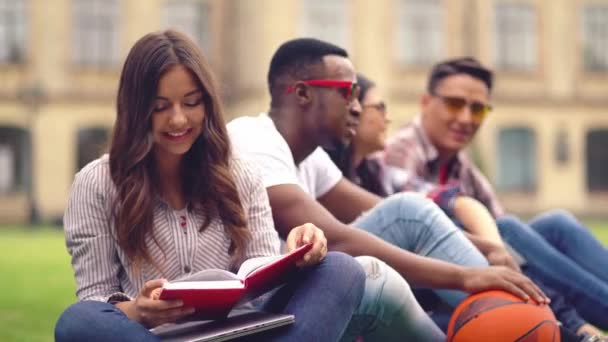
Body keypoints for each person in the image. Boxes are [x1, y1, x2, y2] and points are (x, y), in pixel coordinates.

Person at [53, 30, 367, 342]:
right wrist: (139, 309)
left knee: (341, 269)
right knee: (77, 320)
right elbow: (95, 299)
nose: (178, 120)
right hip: (150, 336)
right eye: (161, 107)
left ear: (207, 104)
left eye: (191, 103)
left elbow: (259, 271)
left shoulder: (240, 172)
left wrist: (297, 252)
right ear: (136, 110)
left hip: (241, 331)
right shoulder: (96, 184)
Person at [227, 38, 548, 340]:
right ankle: (543, 325)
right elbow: (337, 238)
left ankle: (538, 322)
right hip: (260, 308)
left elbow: (382, 213)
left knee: (408, 217)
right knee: (390, 247)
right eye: (348, 93)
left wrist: (482, 245)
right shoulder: (254, 139)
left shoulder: (311, 157)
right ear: (302, 94)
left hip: (313, 290)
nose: (357, 107)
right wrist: (464, 275)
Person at [327, 72, 606, 339]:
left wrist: (497, 247)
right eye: (455, 104)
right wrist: (493, 247)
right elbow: (442, 210)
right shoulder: (398, 152)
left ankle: (569, 322)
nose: (466, 118)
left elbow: (489, 215)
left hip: (441, 270)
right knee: (504, 232)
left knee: (551, 225)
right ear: (426, 103)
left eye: (479, 110)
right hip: (422, 285)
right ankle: (571, 326)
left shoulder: (372, 171)